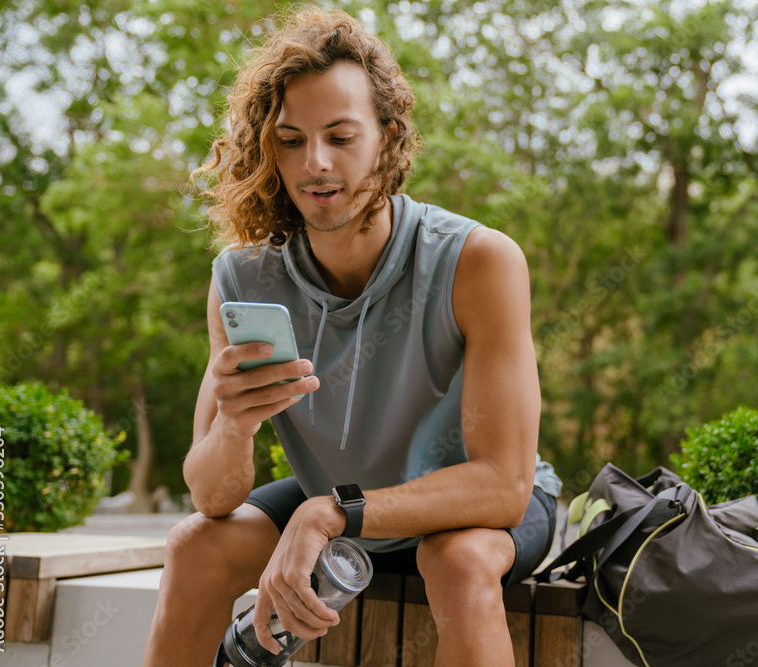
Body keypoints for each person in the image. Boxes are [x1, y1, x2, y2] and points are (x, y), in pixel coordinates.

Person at [143, 6, 562, 667]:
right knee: (196, 542)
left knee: (455, 557)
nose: (315, 163)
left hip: (462, 507)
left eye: (340, 136)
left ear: (386, 136)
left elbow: (504, 483)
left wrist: (332, 510)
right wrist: (234, 426)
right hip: (338, 498)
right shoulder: (242, 277)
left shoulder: (479, 261)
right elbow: (212, 495)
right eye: (290, 140)